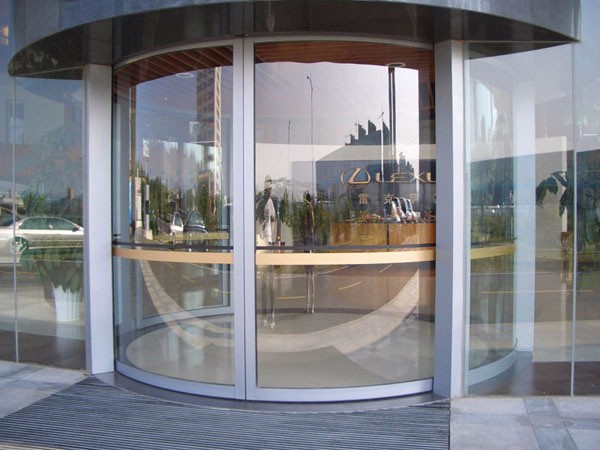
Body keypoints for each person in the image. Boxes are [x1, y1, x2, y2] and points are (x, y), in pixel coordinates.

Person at [303, 192, 315, 313]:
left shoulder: (309, 212)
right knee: (310, 277)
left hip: (308, 246)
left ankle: (310, 305)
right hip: (309, 246)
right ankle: (310, 305)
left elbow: (310, 227)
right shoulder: (310, 212)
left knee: (309, 277)